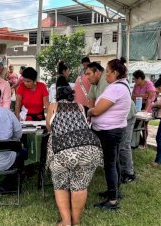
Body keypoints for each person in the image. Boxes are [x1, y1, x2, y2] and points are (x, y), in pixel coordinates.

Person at [46, 85, 102, 226]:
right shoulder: (80, 107)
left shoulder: (53, 106)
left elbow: (49, 126)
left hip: (63, 151)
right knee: (80, 186)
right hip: (89, 148)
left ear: (57, 96)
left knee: (61, 186)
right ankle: (76, 222)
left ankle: (66, 222)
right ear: (72, 95)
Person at [87, 57, 131, 210]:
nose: (106, 75)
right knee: (115, 161)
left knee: (110, 164)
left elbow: (98, 109)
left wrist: (90, 111)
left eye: (108, 72)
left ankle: (112, 200)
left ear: (116, 72)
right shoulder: (122, 85)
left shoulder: (116, 88)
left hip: (109, 131)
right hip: (115, 129)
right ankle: (115, 191)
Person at [132, 70, 157, 149]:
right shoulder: (136, 85)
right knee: (135, 124)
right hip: (137, 106)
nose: (134, 81)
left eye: (135, 79)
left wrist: (146, 110)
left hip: (147, 106)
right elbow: (132, 96)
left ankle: (143, 143)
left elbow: (149, 98)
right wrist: (142, 96)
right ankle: (138, 141)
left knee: (143, 124)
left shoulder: (149, 85)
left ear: (139, 78)